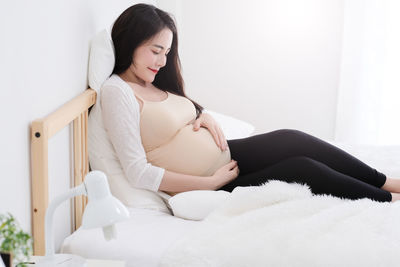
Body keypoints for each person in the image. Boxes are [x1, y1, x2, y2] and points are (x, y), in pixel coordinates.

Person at [98, 3, 400, 203]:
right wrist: (210, 183)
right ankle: (388, 201)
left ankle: (387, 182)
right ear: (130, 42)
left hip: (227, 154)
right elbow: (137, 171)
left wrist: (205, 118)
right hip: (211, 181)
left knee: (290, 138)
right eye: (155, 50)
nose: (162, 61)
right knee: (302, 168)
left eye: (166, 52)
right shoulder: (117, 91)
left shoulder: (152, 82)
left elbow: (179, 114)